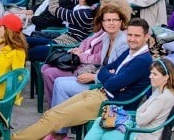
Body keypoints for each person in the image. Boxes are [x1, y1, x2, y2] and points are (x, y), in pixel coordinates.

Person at [13, 18, 152, 140]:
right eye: (130, 35)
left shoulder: (143, 60)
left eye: (137, 36)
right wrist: (111, 75)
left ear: (146, 37)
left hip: (110, 104)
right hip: (99, 92)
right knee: (51, 113)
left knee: (53, 118)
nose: (132, 39)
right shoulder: (130, 51)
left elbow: (111, 84)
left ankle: (14, 139)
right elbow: (105, 69)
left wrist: (110, 77)